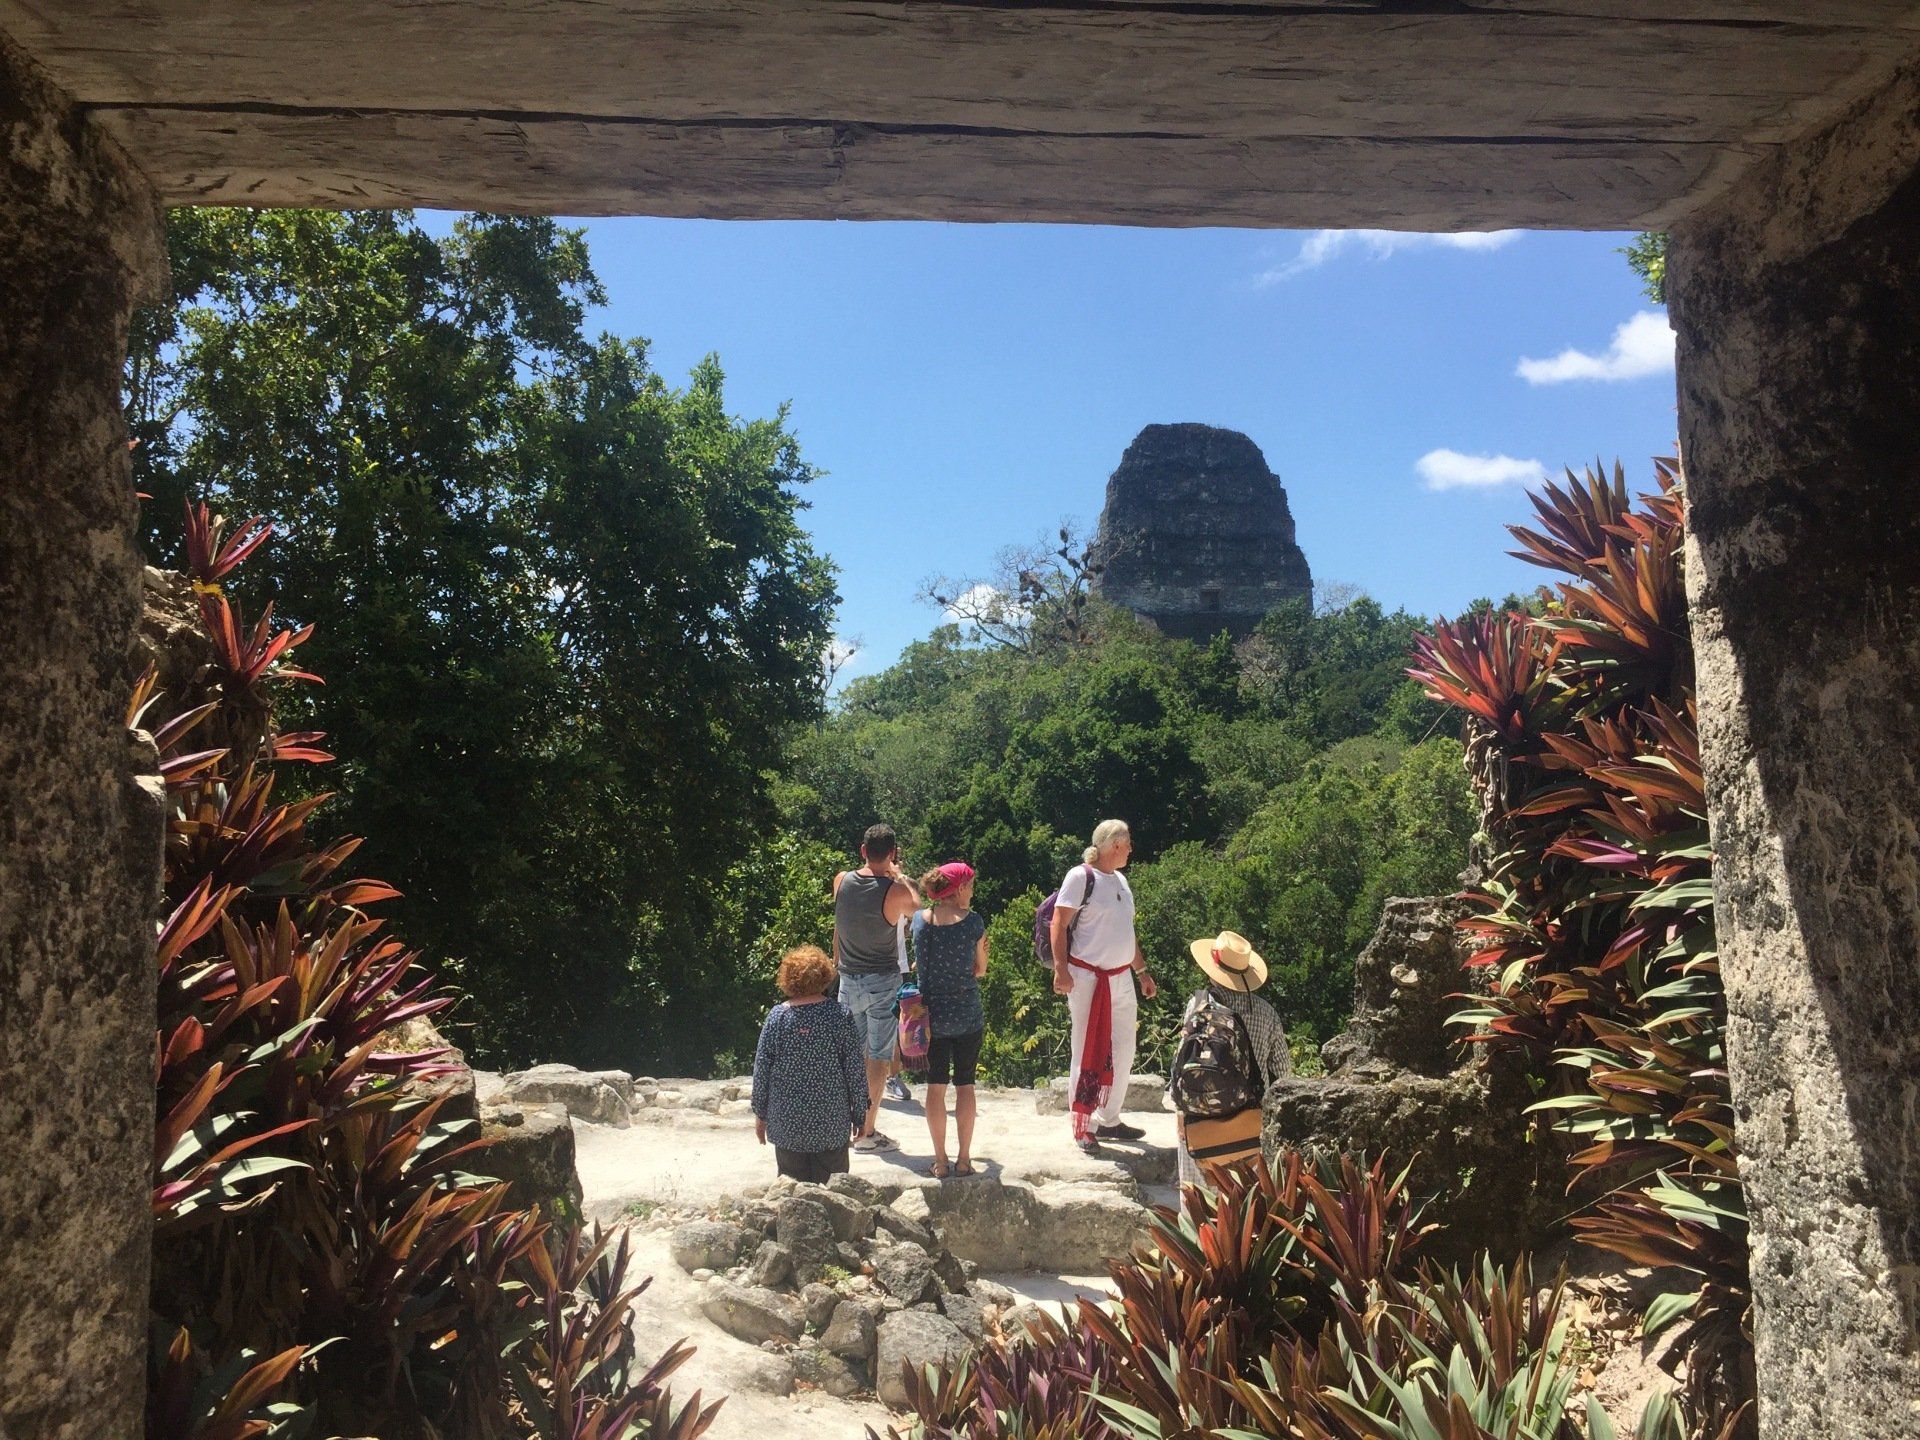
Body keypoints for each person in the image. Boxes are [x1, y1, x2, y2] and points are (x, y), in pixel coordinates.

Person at [1050, 818, 1157, 1155]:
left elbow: (1126, 932)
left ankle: (1109, 1119)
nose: (1130, 849)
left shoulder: (1121, 881)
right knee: (1085, 1050)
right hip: (1087, 979)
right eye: (1127, 844)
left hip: (1121, 978)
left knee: (1125, 1049)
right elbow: (1059, 922)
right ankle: (1082, 1125)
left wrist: (1142, 971)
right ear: (1114, 845)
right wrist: (1061, 970)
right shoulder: (1080, 877)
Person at [1173, 930, 1290, 1200]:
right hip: (1247, 1123)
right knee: (1244, 1203)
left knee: (1198, 1203)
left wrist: (1180, 1109)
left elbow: (1181, 1062)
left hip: (1198, 1121)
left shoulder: (1198, 1005)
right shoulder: (1266, 1012)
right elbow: (1283, 1074)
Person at [832, 823, 921, 1152]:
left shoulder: (841, 881)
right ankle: (867, 1132)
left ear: (863, 850)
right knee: (879, 1058)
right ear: (893, 853)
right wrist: (899, 876)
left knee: (851, 1053)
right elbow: (917, 906)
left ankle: (844, 1123)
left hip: (847, 978)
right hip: (882, 980)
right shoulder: (893, 890)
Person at [750, 944, 868, 1183]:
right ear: (825, 976)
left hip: (787, 1126)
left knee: (792, 1196)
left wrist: (760, 1115)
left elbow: (761, 1070)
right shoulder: (839, 1015)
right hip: (831, 1124)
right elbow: (855, 1069)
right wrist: (860, 1115)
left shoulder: (777, 1017)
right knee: (836, 1194)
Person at [910, 862, 989, 1178]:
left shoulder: (919, 921)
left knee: (936, 1087)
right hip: (967, 1015)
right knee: (966, 1085)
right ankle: (964, 1160)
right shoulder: (973, 924)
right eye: (969, 885)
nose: (971, 890)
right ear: (958, 890)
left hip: (931, 1019)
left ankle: (940, 1161)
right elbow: (981, 969)